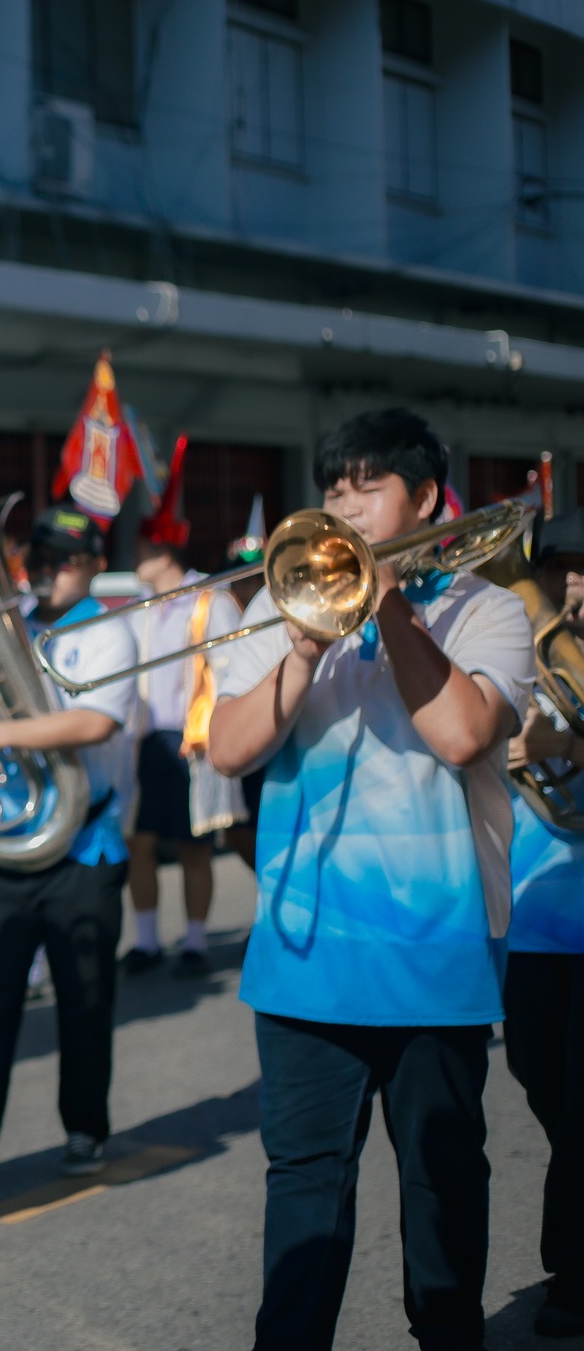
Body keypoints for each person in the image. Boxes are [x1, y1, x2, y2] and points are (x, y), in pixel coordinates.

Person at [206, 408, 533, 1351]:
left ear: (425, 499)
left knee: (442, 1181)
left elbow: (465, 732)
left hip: (442, 953)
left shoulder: (490, 609)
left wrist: (388, 606)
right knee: (304, 1186)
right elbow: (229, 749)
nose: (344, 501)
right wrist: (304, 642)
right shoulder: (281, 606)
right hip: (305, 952)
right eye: (335, 485)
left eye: (367, 483)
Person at [0, 503, 137, 1187]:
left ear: (95, 565)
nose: (46, 573)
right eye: (37, 560)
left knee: (84, 997)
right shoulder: (3, 627)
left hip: (84, 845)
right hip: (10, 842)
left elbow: (96, 722)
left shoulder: (105, 631)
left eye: (63, 562)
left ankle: (85, 1129)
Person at [503, 507, 584, 1339]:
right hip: (533, 913)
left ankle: (571, 1273)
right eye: (559, 566)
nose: (572, 583)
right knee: (538, 1075)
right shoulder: (524, 652)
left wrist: (572, 749)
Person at [122, 448, 243, 978]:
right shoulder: (140, 607)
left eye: (144, 547)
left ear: (163, 549)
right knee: (140, 843)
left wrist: (214, 731)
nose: (135, 556)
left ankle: (194, 941)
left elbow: (233, 670)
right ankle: (147, 941)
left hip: (192, 739)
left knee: (194, 848)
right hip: (146, 740)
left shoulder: (209, 599)